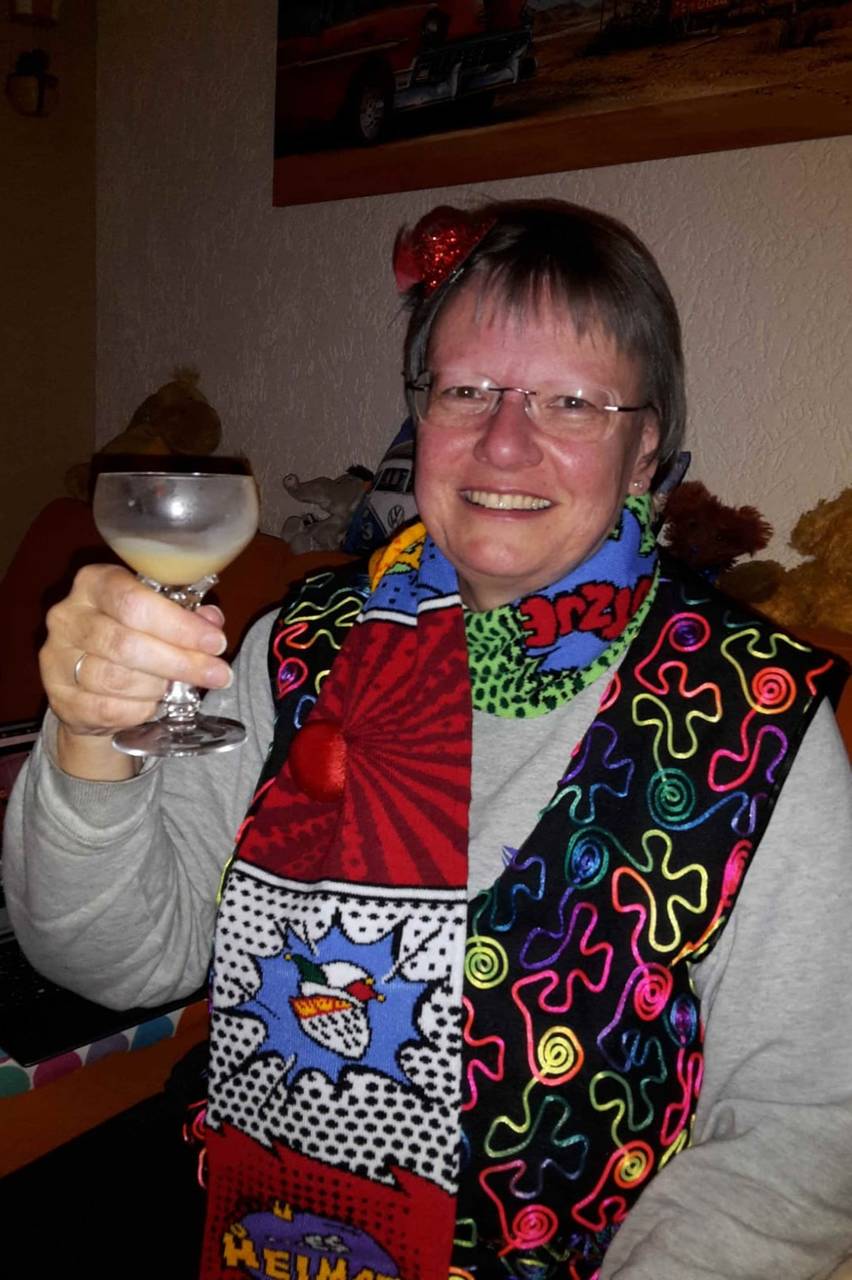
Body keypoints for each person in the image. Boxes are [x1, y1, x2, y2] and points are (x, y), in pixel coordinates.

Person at [5, 200, 852, 1280]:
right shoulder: (299, 648)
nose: (505, 440)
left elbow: (802, 1131)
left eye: (571, 401)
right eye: (467, 390)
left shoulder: (752, 716)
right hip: (229, 1212)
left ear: (644, 449)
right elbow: (119, 960)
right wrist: (90, 737)